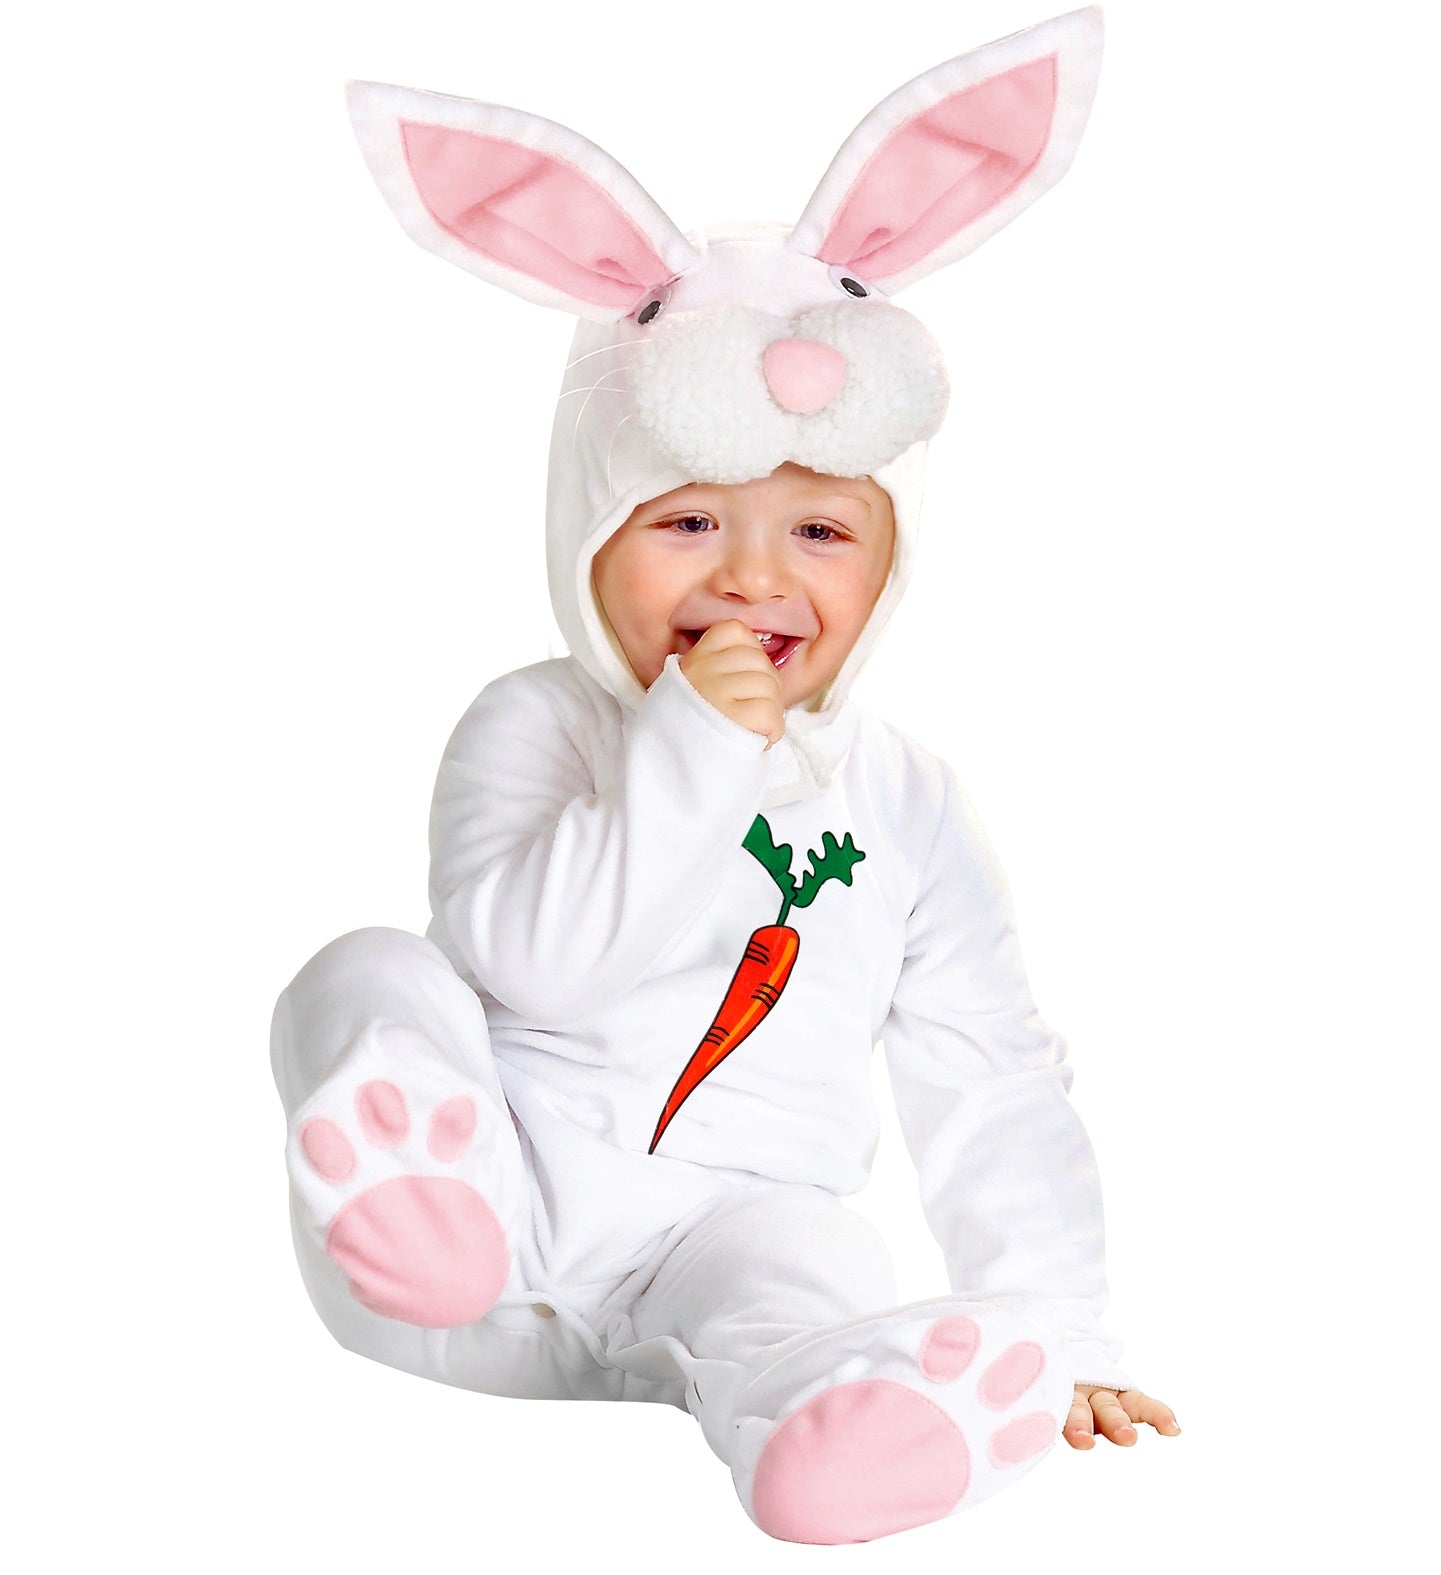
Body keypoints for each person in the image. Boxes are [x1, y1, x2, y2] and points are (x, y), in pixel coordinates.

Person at [273, 10, 1178, 1545]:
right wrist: (693, 748)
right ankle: (419, 1202)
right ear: (588, 533)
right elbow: (536, 967)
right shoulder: (533, 723)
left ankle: (839, 1427)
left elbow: (986, 1073)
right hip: (474, 1250)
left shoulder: (904, 800)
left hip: (721, 1239)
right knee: (359, 973)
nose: (752, 579)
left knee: (813, 1264)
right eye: (688, 522)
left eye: (817, 532)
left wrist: (1057, 1324)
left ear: (888, 562)